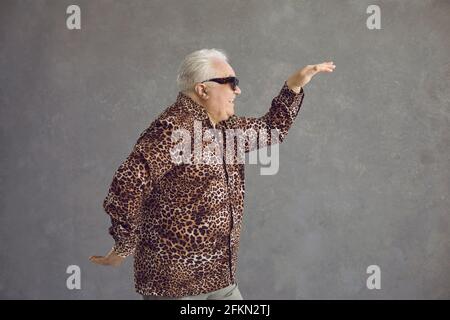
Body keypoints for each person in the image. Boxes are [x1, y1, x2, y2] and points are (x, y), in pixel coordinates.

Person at [89, 48, 335, 300]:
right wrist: (124, 245)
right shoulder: (171, 128)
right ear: (202, 89)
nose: (237, 90)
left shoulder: (227, 129)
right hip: (174, 285)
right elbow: (127, 186)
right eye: (231, 83)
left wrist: (293, 86)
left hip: (220, 279)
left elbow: (272, 129)